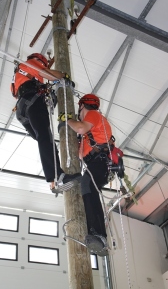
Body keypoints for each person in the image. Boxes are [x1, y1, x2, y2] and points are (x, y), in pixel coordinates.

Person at [10, 53, 81, 192]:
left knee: (46, 140)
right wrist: (63, 76)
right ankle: (57, 176)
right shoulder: (31, 63)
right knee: (44, 138)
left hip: (22, 110)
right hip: (32, 100)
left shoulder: (20, 75)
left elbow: (15, 92)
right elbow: (49, 74)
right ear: (39, 61)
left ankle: (54, 181)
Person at [65, 94, 124, 257]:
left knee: (88, 186)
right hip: (95, 165)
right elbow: (79, 151)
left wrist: (67, 121)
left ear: (82, 106)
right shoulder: (88, 133)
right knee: (86, 186)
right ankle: (95, 232)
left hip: (100, 163)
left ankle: (99, 235)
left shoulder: (93, 114)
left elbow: (80, 127)